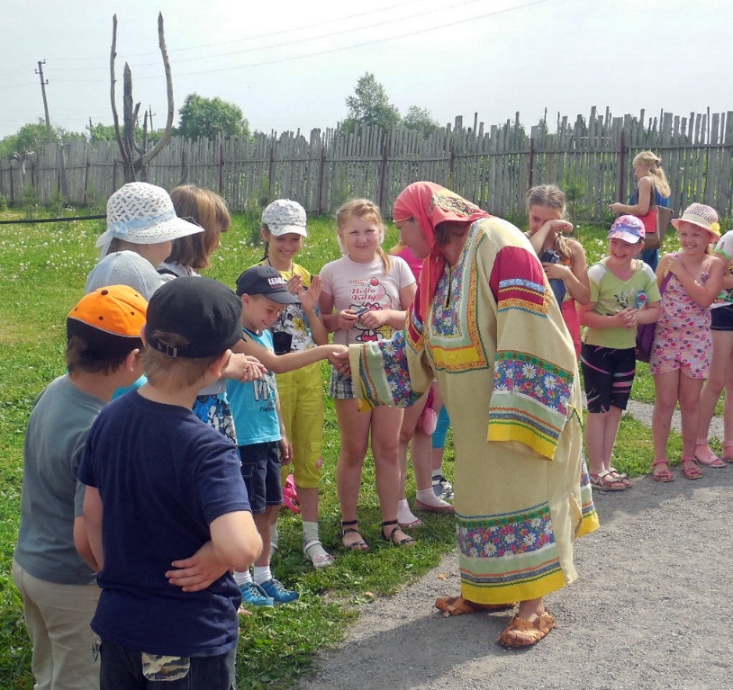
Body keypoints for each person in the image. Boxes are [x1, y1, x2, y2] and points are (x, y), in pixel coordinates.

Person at [340, 181, 598, 648]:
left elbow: (530, 323)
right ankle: (485, 590)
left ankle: (534, 608)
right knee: (482, 497)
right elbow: (419, 340)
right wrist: (361, 361)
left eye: (402, 226)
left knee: (525, 492)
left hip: (517, 399)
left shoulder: (499, 241)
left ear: (425, 220)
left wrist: (519, 403)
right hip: (474, 412)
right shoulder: (441, 268)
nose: (400, 239)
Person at [78, 277, 262, 690]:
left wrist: (122, 582)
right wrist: (218, 553)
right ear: (220, 364)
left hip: (119, 627)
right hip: (187, 635)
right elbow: (242, 549)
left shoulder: (108, 419)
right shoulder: (209, 450)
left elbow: (91, 515)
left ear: (143, 338)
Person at [12, 285, 147, 690]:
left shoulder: (57, 388)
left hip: (32, 565)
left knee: (50, 676)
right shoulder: (98, 429)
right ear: (132, 360)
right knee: (83, 682)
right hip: (72, 582)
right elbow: (90, 530)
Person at [226, 266, 347, 606]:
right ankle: (241, 579)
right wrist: (325, 351)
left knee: (270, 507)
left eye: (279, 311)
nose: (274, 317)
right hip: (245, 438)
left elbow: (271, 386)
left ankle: (264, 576)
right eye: (270, 309)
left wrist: (280, 430)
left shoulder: (262, 333)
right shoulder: (237, 338)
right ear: (245, 300)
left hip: (266, 433)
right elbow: (276, 366)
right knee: (249, 511)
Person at [319, 199, 417, 551]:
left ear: (381, 232)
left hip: (390, 366)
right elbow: (321, 323)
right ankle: (350, 525)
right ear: (341, 235)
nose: (362, 238)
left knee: (389, 447)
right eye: (354, 232)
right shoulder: (332, 271)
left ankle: (391, 523)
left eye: (369, 231)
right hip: (349, 366)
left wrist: (388, 316)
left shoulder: (398, 266)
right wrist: (337, 321)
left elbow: (416, 318)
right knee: (354, 448)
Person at [256, 199, 335, 568]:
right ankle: (269, 537)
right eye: (281, 238)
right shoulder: (255, 277)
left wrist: (306, 305)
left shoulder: (306, 275)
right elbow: (250, 331)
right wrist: (281, 299)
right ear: (265, 235)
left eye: (295, 238)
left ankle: (311, 536)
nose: (288, 246)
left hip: (308, 373)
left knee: (309, 451)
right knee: (276, 454)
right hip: (273, 376)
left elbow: (320, 338)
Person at [579, 215, 661, 491]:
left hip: (626, 350)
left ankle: (606, 465)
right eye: (615, 242)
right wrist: (613, 321)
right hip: (597, 349)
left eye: (626, 244)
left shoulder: (645, 272)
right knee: (598, 409)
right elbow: (583, 315)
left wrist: (636, 316)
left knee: (615, 410)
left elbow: (656, 310)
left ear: (639, 246)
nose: (619, 249)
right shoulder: (597, 273)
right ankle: (595, 470)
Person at [649, 204, 723, 481]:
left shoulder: (714, 264)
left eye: (696, 234)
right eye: (684, 234)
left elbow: (705, 299)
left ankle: (689, 456)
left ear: (709, 237)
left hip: (697, 342)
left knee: (691, 402)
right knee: (665, 401)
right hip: (666, 340)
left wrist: (680, 272)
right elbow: (653, 294)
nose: (689, 240)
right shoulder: (668, 260)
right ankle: (660, 459)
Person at [388, 240, 453, 528]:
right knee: (402, 431)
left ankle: (426, 492)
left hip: (438, 345)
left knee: (427, 423)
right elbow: (411, 311)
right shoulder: (398, 258)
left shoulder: (448, 253)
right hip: (411, 349)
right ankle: (398, 501)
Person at [86, 182, 204, 299]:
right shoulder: (144, 282)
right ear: (151, 240)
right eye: (169, 237)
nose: (172, 242)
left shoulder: (103, 270)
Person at [689, 206, 733, 467]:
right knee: (716, 381)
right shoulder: (730, 239)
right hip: (722, 311)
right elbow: (714, 278)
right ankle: (699, 442)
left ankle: (730, 443)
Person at [526, 184, 590, 358]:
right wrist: (548, 226)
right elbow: (528, 253)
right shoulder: (521, 240)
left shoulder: (572, 249)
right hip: (531, 320)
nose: (541, 226)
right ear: (528, 213)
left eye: (548, 222)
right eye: (536, 219)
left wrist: (566, 274)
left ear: (560, 218)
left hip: (564, 321)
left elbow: (585, 298)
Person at [610, 150, 672, 271]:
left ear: (643, 166)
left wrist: (621, 207)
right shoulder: (661, 184)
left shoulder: (645, 181)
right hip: (654, 235)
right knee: (650, 271)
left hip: (641, 234)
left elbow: (643, 209)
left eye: (636, 168)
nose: (635, 173)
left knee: (635, 270)